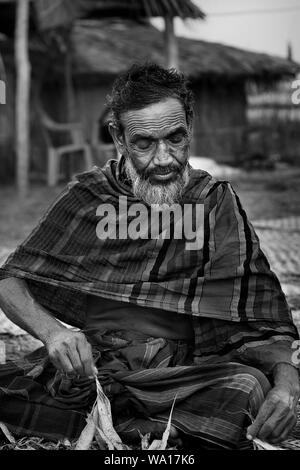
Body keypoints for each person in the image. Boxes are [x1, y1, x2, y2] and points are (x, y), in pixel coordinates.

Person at [0, 63, 299, 450]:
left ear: (190, 125)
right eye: (144, 143)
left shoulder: (214, 203)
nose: (163, 159)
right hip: (90, 373)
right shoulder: (89, 197)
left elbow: (263, 326)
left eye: (175, 138)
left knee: (247, 390)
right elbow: (9, 278)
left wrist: (288, 386)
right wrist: (53, 332)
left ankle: (120, 428)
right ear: (118, 138)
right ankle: (153, 431)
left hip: (179, 378)